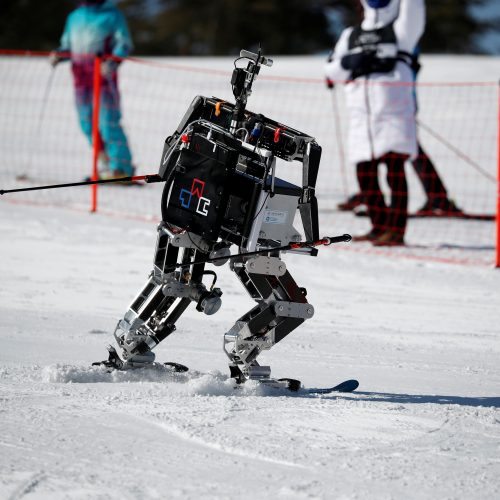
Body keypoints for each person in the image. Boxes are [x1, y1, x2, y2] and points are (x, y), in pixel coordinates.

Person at [325, 0, 426, 246]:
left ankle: (396, 231)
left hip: (393, 114)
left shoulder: (401, 29)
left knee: (394, 171)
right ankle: (378, 226)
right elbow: (331, 70)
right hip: (361, 115)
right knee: (365, 173)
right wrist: (349, 63)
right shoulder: (351, 35)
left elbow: (414, 7)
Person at [50, 0, 134, 179]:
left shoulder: (112, 14)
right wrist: (59, 54)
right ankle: (104, 164)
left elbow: (124, 43)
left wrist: (113, 61)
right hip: (81, 77)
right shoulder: (74, 17)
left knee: (108, 122)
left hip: (103, 75)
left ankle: (121, 169)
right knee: (86, 122)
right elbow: (67, 45)